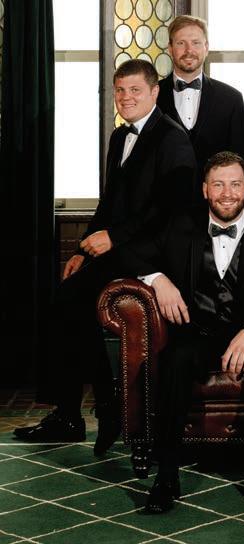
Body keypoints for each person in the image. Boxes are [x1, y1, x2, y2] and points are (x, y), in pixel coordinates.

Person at [13, 59, 196, 456]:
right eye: (120, 90)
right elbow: (109, 203)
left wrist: (114, 238)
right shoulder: (119, 136)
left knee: (67, 303)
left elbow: (169, 209)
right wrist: (83, 250)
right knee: (67, 305)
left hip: (149, 251)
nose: (126, 97)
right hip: (118, 249)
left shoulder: (173, 139)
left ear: (154, 92)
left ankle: (91, 410)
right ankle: (85, 411)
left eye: (135, 90)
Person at [121, 151, 244, 513]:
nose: (227, 193)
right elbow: (128, 252)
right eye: (218, 185)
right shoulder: (178, 227)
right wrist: (158, 279)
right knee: (175, 359)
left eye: (235, 184)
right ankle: (166, 475)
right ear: (205, 190)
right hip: (198, 333)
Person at [158, 15, 244, 185]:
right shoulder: (151, 96)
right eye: (181, 43)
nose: (189, 50)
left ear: (206, 47)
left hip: (215, 198)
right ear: (170, 48)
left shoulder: (231, 98)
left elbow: (239, 159)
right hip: (163, 198)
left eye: (196, 43)